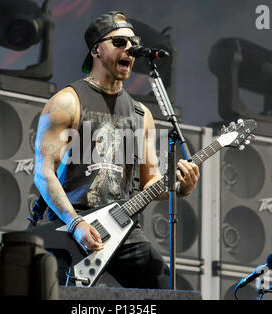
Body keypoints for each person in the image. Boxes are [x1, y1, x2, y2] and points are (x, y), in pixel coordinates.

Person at [33, 10, 200, 289]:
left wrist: (178, 187)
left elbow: (150, 182)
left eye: (132, 44)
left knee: (173, 293)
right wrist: (75, 224)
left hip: (125, 231)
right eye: (119, 43)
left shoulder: (140, 114)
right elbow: (43, 173)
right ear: (96, 50)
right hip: (71, 229)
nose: (129, 50)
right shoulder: (67, 102)